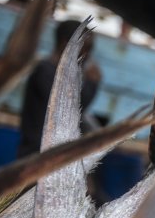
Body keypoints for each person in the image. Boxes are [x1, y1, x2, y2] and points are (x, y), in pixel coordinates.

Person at [17, 19, 102, 157]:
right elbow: (71, 109)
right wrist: (91, 85)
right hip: (36, 156)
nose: (87, 55)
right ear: (66, 44)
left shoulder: (57, 75)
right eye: (85, 48)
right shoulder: (45, 72)